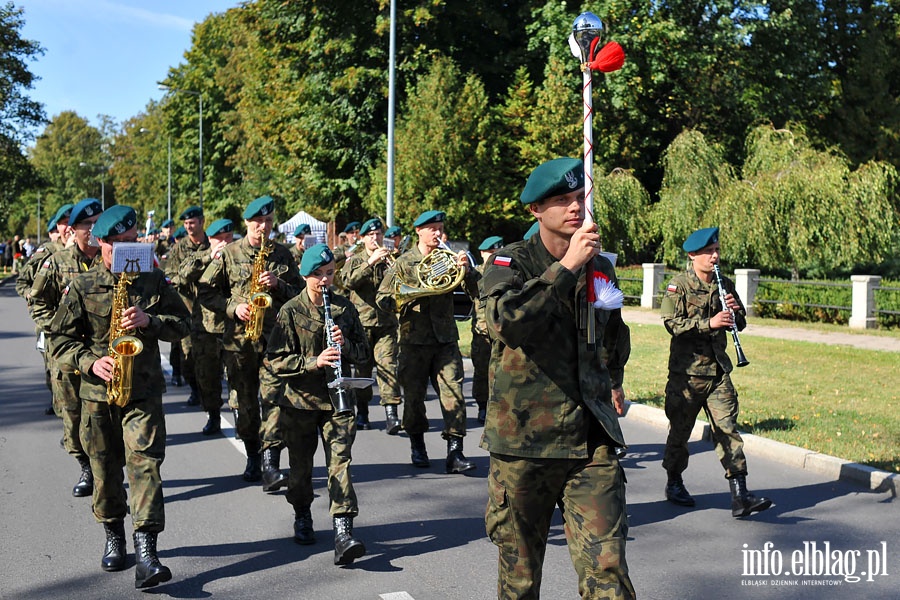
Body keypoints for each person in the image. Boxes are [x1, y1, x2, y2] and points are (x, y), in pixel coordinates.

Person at [479, 157, 635, 599]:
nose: (574, 209)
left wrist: (615, 381)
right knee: (521, 580)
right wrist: (566, 268)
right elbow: (505, 322)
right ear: (536, 211)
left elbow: (613, 333)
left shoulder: (599, 265)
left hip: (591, 440)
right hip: (524, 442)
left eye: (579, 199)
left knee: (608, 571)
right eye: (562, 201)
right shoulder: (510, 261)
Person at [50, 205, 190, 589]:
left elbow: (184, 325)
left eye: (133, 243)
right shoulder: (82, 286)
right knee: (104, 469)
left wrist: (152, 321)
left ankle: (147, 550)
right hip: (97, 396)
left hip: (143, 393)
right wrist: (91, 362)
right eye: (120, 245)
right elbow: (59, 342)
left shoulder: (153, 280)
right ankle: (114, 532)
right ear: (101, 243)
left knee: (145, 464)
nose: (129, 251)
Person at [263, 244, 369, 565]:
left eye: (330, 274)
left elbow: (364, 353)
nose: (325, 281)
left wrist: (345, 344)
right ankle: (302, 513)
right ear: (305, 276)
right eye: (318, 275)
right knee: (301, 470)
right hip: (300, 403)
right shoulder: (290, 310)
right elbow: (275, 360)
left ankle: (343, 531)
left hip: (337, 400)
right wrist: (314, 361)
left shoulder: (344, 308)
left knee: (341, 464)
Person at [659, 226, 772, 518]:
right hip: (687, 376)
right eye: (709, 252)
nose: (715, 256)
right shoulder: (678, 286)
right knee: (680, 435)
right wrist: (709, 323)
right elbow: (672, 324)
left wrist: (735, 314)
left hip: (718, 372)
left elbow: (740, 323)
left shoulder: (725, 284)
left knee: (728, 430)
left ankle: (740, 495)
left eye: (717, 250)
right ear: (693, 255)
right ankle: (674, 482)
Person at [198, 195, 303, 491]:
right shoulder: (229, 254)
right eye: (258, 221)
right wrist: (234, 308)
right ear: (247, 223)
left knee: (274, 401)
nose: (263, 226)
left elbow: (300, 293)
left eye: (268, 221)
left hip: (274, 341)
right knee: (244, 405)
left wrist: (278, 284)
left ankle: (271, 464)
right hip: (239, 343)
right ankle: (253, 455)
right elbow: (206, 292)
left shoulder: (282, 254)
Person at [376, 210, 478, 474]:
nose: (438, 233)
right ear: (418, 230)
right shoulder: (404, 262)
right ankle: (417, 444)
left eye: (440, 228)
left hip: (445, 339)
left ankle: (455, 451)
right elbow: (383, 299)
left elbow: (476, 292)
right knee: (414, 398)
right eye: (432, 228)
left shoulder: (451, 257)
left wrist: (466, 272)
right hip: (414, 340)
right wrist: (407, 298)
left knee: (454, 395)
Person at [30, 199, 104, 497]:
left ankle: (105, 472)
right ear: (73, 230)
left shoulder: (110, 258)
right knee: (72, 417)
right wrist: (59, 328)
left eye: (99, 223)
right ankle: (85, 466)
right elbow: (37, 302)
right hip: (66, 354)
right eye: (88, 225)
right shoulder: (57, 262)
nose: (95, 230)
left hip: (101, 353)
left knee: (102, 417)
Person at [340, 217, 402, 433]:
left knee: (388, 367)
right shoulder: (356, 260)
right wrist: (370, 262)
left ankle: (392, 414)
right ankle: (363, 411)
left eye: (379, 235)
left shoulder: (391, 258)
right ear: (363, 238)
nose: (376, 238)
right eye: (371, 235)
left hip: (386, 323)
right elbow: (348, 281)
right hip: (362, 325)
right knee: (362, 372)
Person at [177, 218, 234, 435]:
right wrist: (210, 256)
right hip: (206, 328)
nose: (225, 242)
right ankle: (213, 415)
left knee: (237, 376)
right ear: (210, 239)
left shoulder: (238, 256)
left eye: (228, 237)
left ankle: (240, 414)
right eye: (220, 238)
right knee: (207, 377)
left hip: (234, 327)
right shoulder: (200, 257)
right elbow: (183, 276)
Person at [165, 206, 210, 407]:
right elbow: (171, 278)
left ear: (202, 222)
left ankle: (209, 396)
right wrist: (184, 278)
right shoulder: (179, 249)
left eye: (192, 223)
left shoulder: (213, 245)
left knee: (210, 360)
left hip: (212, 313)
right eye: (186, 224)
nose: (189, 227)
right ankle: (194, 389)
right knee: (188, 358)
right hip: (187, 310)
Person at [470, 235, 503, 425]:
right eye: (490, 252)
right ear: (482, 253)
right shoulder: (477, 273)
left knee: (501, 372)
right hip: (482, 332)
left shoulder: (506, 271)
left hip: (501, 332)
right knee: (482, 371)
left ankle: (498, 408)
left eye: (497, 252)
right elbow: (472, 283)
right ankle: (482, 406)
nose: (494, 256)